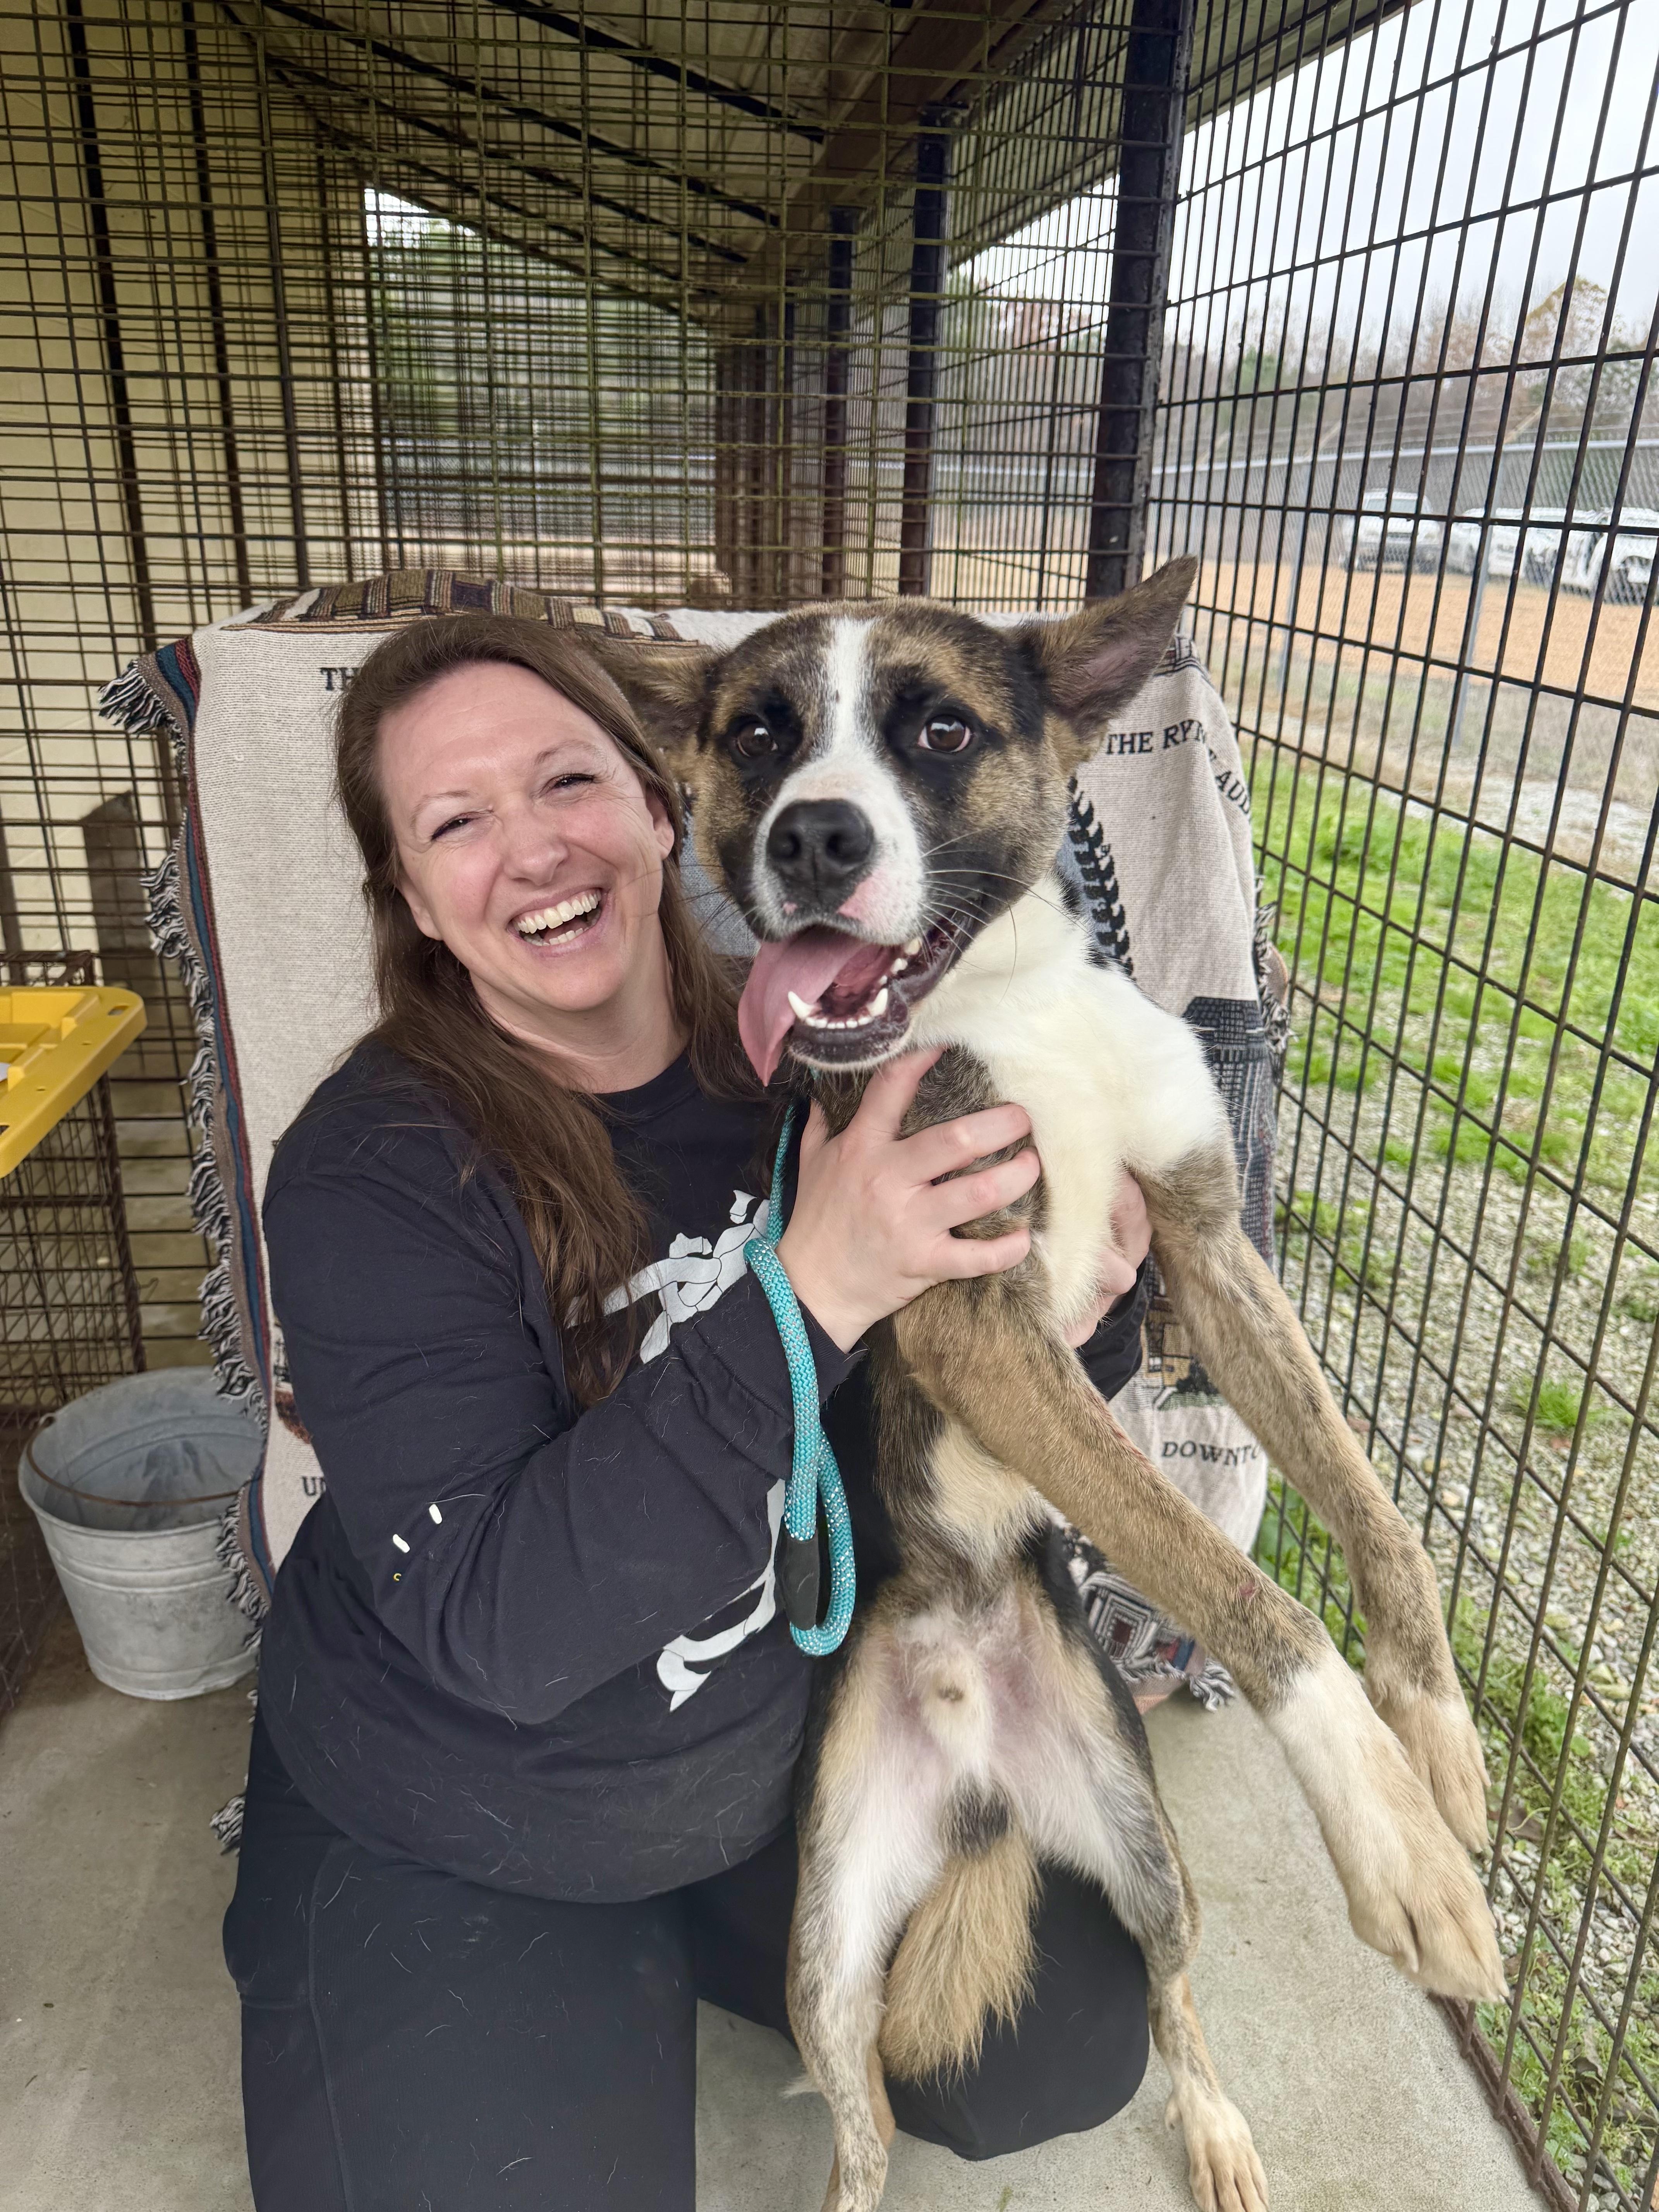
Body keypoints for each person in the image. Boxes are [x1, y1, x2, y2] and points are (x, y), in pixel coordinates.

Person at [223, 614, 1156, 2211]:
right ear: (411, 899)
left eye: (569, 781)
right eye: (456, 824)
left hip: (760, 1750)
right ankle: (469, 1981)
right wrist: (807, 1291)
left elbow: (955, 1393)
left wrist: (1096, 1300)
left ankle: (681, 1948)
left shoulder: (838, 1030)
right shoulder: (372, 1172)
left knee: (1059, 2046)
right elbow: (497, 1630)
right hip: (469, 1799)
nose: (532, 851)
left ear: (669, 803)